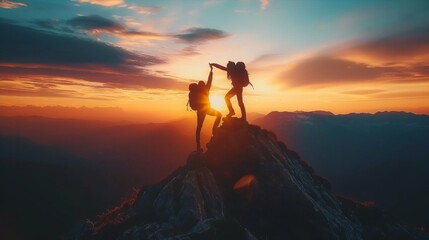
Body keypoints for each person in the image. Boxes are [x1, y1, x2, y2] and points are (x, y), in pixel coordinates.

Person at [190, 64, 222, 151]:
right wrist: (211, 72)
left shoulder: (200, 91)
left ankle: (198, 145)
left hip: (201, 111)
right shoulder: (206, 89)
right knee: (219, 115)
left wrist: (211, 72)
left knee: (199, 127)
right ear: (202, 85)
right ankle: (214, 129)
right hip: (207, 110)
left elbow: (209, 81)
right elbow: (210, 81)